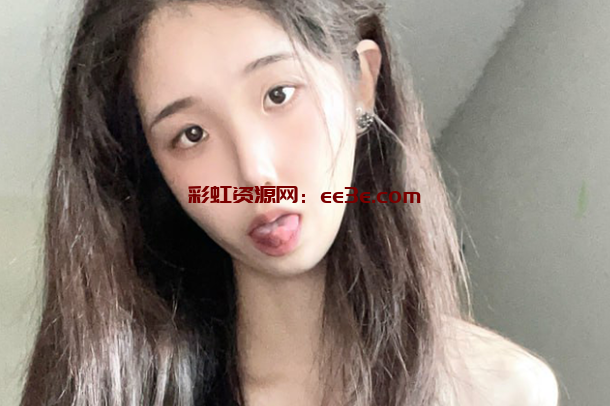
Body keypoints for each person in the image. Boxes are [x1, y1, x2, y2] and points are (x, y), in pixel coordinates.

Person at [20, 1, 559, 405]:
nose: (254, 172)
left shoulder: (503, 391)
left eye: (278, 94)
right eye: (191, 134)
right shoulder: (116, 391)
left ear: (361, 81)